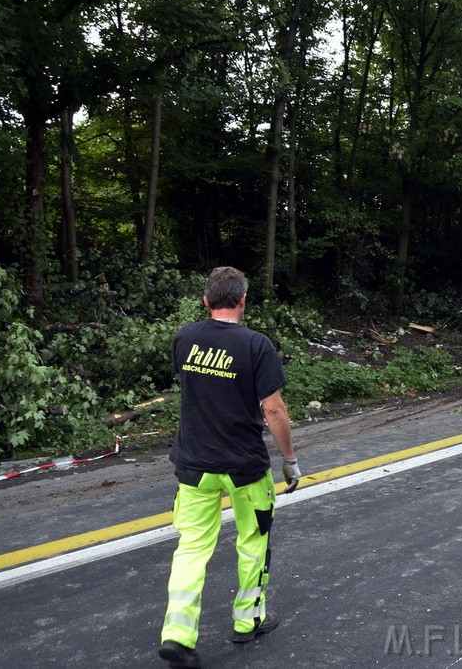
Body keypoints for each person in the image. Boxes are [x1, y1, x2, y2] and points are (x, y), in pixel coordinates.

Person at [158, 267, 301, 669]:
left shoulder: (184, 337)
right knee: (252, 542)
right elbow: (272, 409)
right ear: (242, 300)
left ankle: (178, 636)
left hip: (194, 465)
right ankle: (247, 620)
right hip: (244, 467)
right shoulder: (256, 345)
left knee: (191, 548)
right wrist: (289, 460)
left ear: (206, 301)